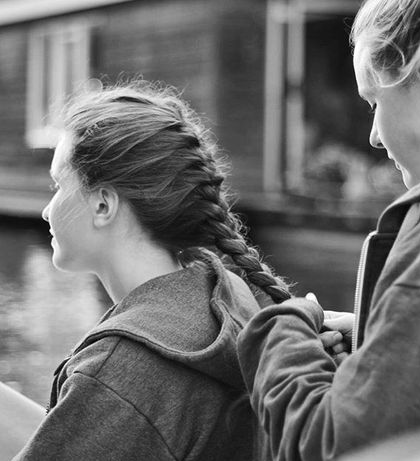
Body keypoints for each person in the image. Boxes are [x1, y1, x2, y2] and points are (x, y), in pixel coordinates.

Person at [0, 81, 301, 460]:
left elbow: (119, 401)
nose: (48, 209)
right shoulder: (221, 295)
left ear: (103, 205)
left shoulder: (122, 367)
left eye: (58, 185)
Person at [237, 0, 420, 459]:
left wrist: (283, 333)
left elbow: (332, 449)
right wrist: (376, 337)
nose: (373, 137)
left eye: (373, 103)